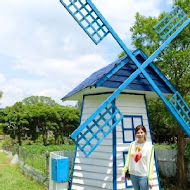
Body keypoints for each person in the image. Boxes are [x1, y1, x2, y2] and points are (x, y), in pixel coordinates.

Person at [121, 125, 154, 190]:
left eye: (141, 132)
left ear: (145, 133)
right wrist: (124, 172)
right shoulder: (132, 144)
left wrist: (150, 179)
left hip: (143, 175)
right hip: (133, 174)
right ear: (135, 134)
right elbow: (128, 159)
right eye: (138, 132)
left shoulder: (149, 146)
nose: (140, 134)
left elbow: (151, 163)